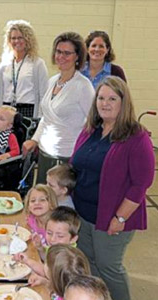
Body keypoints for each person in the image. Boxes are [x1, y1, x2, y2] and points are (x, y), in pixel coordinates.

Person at [71, 76, 155, 300]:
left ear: (123, 102)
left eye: (112, 98)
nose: (104, 103)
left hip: (112, 216)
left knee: (108, 266)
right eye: (100, 98)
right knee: (88, 263)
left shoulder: (136, 137)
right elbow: (77, 166)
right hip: (84, 214)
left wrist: (120, 218)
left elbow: (141, 183)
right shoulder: (91, 130)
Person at [22, 32, 95, 184]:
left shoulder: (83, 86)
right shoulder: (52, 81)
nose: (61, 56)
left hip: (67, 157)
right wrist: (34, 140)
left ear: (77, 57)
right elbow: (46, 117)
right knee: (44, 202)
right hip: (45, 154)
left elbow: (94, 123)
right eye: (58, 51)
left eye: (67, 53)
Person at [0, 20, 48, 118]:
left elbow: (43, 95)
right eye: (13, 38)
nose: (16, 41)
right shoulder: (5, 64)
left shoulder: (37, 64)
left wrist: (40, 118)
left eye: (20, 38)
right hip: (7, 110)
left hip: (28, 111)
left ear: (28, 39)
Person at [15, 206, 80, 285]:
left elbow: (46, 271)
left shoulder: (69, 258)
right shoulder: (59, 246)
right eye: (49, 233)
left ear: (73, 239)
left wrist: (27, 261)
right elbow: (47, 259)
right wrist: (41, 248)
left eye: (60, 236)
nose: (52, 239)